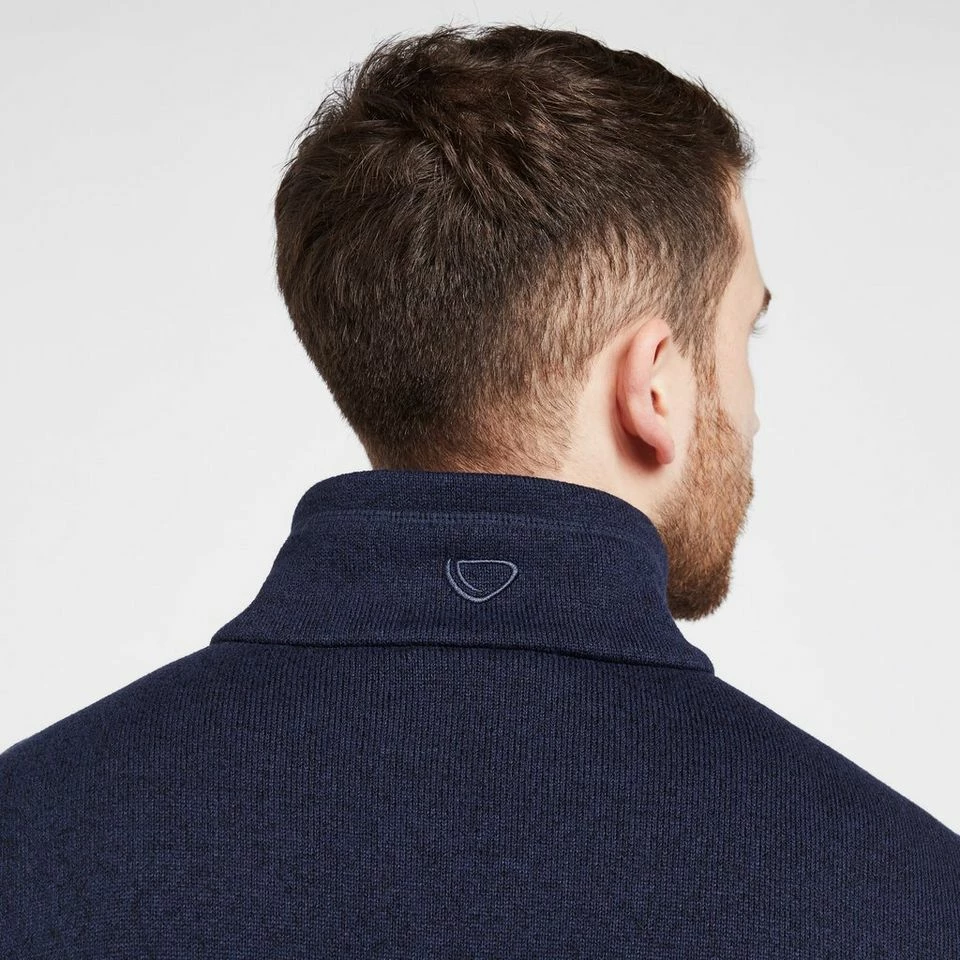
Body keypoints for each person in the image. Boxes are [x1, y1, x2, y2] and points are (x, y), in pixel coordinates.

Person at [2, 23, 958, 959]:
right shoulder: (908, 896)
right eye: (744, 333)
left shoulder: (32, 836)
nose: (750, 413)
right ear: (654, 386)